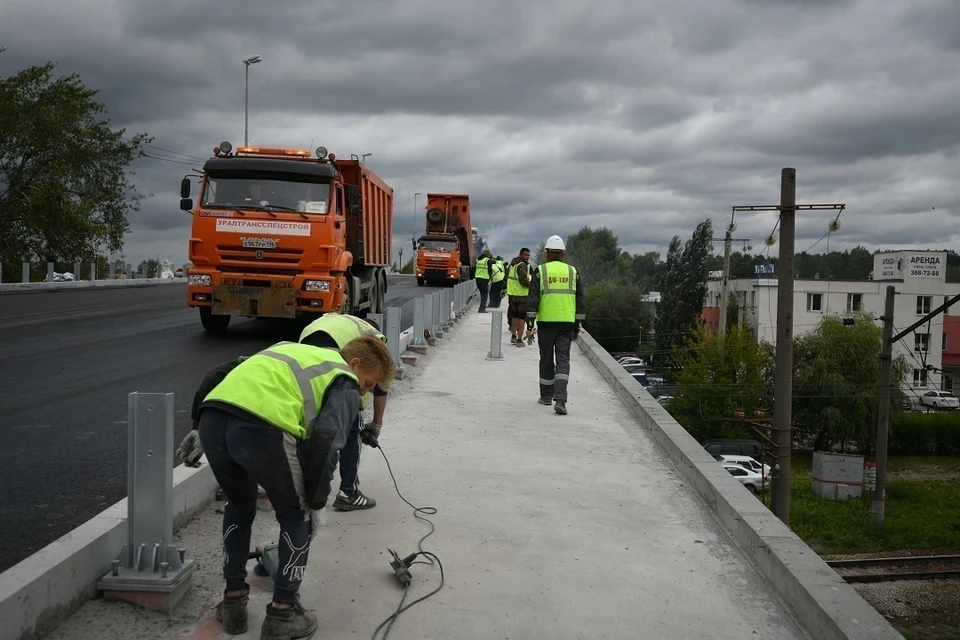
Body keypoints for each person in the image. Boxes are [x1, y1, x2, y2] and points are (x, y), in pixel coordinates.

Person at [196, 334, 395, 638]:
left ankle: (233, 602)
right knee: (295, 516)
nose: (365, 393)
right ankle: (282, 613)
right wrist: (315, 502)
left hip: (214, 418)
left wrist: (198, 426)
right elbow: (327, 444)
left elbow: (219, 372)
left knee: (239, 506)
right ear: (354, 364)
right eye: (368, 383)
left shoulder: (289, 351)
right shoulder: (343, 380)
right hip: (263, 427)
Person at [298, 312, 388, 511]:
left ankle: (302, 487)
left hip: (305, 348)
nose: (367, 389)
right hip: (334, 352)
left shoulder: (343, 322)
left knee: (309, 422)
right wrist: (376, 424)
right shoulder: (375, 342)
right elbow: (379, 386)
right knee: (352, 426)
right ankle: (349, 492)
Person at [526, 235, 585, 415]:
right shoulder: (573, 272)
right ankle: (560, 399)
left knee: (546, 359)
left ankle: (545, 396)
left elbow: (533, 299)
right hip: (566, 324)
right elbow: (580, 301)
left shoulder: (540, 271)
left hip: (546, 323)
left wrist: (529, 325)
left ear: (547, 253)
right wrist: (577, 326)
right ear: (563, 253)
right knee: (563, 360)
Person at [506, 247, 532, 347]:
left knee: (514, 316)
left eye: (529, 255)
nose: (528, 257)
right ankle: (520, 339)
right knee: (522, 318)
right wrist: (533, 286)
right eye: (526, 255)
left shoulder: (512, 264)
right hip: (521, 295)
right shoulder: (522, 266)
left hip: (512, 294)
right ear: (521, 254)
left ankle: (513, 336)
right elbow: (523, 280)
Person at [474, 248, 492, 312]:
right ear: (488, 254)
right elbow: (490, 271)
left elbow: (474, 269)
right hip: (484, 279)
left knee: (482, 293)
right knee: (485, 294)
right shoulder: (487, 261)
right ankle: (482, 309)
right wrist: (490, 277)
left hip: (478, 278)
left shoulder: (478, 260)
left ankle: (481, 307)